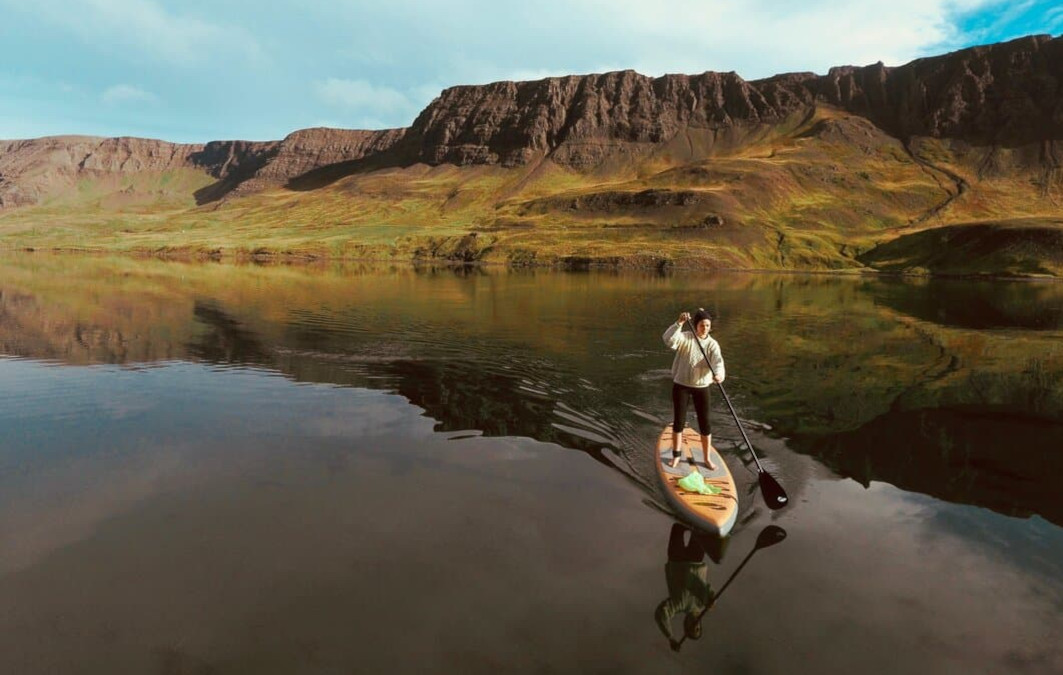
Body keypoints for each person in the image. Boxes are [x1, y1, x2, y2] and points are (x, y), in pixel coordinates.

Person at [662, 308, 725, 470]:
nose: (705, 328)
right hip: (681, 386)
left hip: (702, 387)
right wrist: (679, 323)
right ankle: (676, 456)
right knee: (679, 421)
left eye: (708, 325)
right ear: (696, 325)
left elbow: (718, 362)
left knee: (705, 423)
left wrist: (718, 374)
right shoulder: (685, 338)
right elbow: (668, 339)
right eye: (702, 325)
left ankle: (706, 458)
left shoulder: (712, 344)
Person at [654, 524, 717, 652]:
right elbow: (704, 588)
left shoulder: (678, 605)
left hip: (676, 560)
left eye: (690, 629)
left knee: (677, 527)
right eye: (698, 629)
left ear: (685, 625)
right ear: (700, 625)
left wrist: (670, 637)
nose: (694, 627)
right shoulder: (703, 603)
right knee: (701, 529)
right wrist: (711, 599)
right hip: (695, 561)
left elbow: (660, 615)